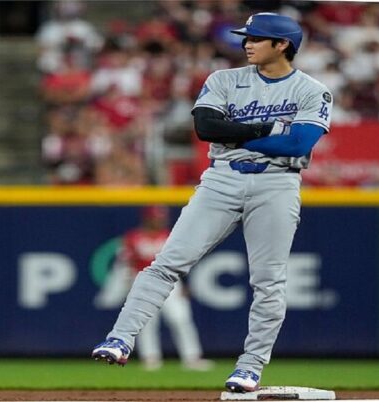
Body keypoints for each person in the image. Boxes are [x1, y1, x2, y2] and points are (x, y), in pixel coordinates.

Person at [92, 12, 332, 393]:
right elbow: (207, 129)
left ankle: (250, 367)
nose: (246, 43)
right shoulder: (224, 79)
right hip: (221, 179)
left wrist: (236, 135)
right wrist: (267, 129)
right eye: (246, 38)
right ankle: (120, 339)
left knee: (269, 282)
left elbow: (298, 144)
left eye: (256, 38)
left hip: (277, 184)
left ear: (282, 44)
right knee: (166, 263)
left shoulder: (310, 89)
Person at [114, 206, 213, 371]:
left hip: (170, 282)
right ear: (147, 218)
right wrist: (129, 283)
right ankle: (150, 358)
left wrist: (185, 283)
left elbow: (182, 261)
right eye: (156, 217)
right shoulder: (133, 237)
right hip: (143, 282)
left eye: (161, 217)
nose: (159, 220)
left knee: (180, 318)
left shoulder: (171, 236)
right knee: (146, 323)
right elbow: (125, 262)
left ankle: (192, 357)